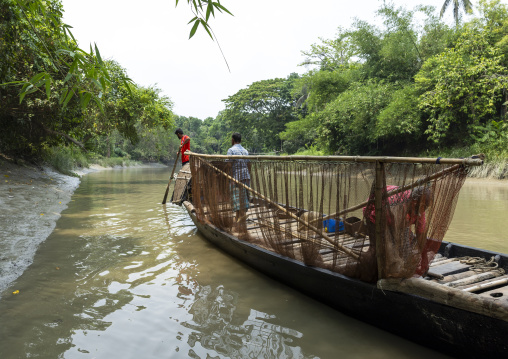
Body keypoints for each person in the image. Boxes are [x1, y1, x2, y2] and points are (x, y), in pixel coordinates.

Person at [359, 185, 432, 282]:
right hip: (376, 215)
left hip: (400, 220)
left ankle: (400, 273)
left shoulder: (420, 208)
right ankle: (375, 274)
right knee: (380, 251)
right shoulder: (397, 204)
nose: (424, 210)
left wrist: (424, 259)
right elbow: (391, 232)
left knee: (405, 251)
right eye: (423, 206)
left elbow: (421, 234)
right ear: (414, 201)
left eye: (426, 207)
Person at [227, 133, 250, 231]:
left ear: (233, 140)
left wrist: (229, 177)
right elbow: (249, 164)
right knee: (244, 196)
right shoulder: (245, 151)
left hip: (236, 177)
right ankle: (239, 218)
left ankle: (241, 217)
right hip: (246, 177)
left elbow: (228, 165)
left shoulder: (231, 150)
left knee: (236, 198)